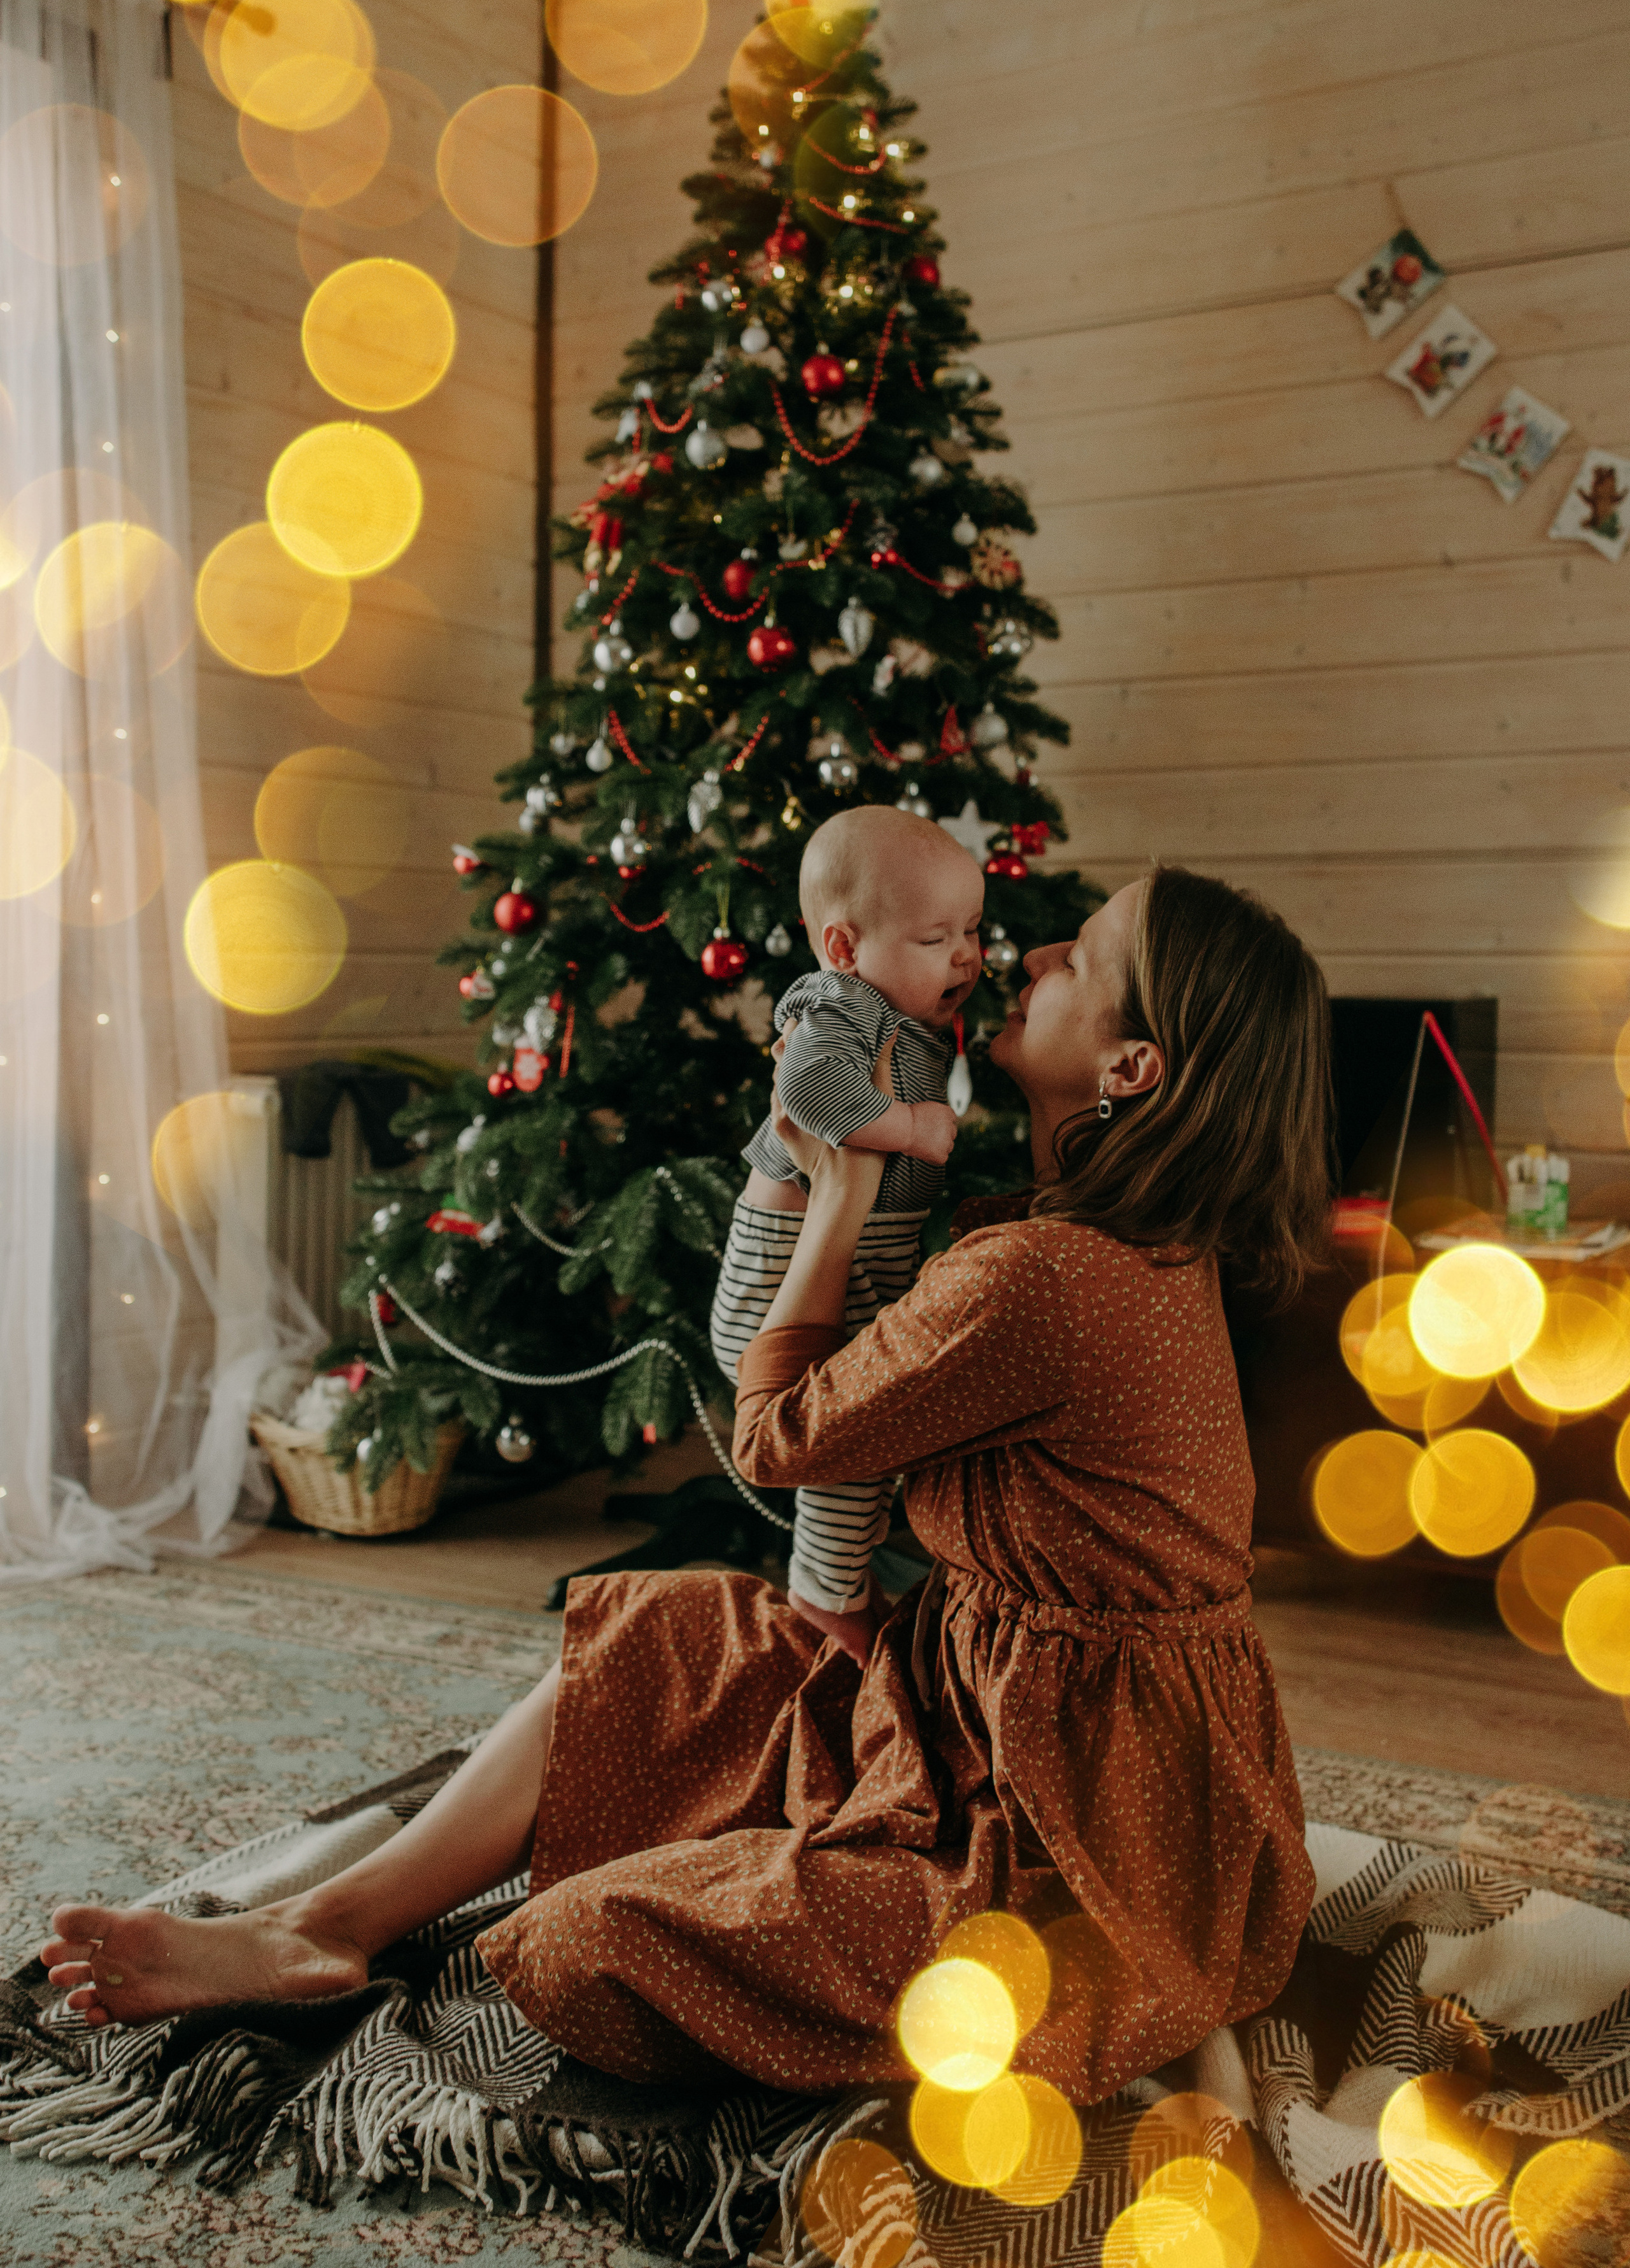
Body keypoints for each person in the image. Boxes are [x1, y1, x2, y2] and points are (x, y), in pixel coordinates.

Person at [41, 866, 1332, 2113]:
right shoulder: (1114, 1248)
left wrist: (830, 1200)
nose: (1034, 954)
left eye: (1079, 959)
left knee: (585, 1944)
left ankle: (424, 1922)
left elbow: (774, 1433)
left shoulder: (1041, 1280)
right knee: (664, 1640)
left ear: (1130, 1069)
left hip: (1091, 1859)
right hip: (1005, 1726)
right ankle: (320, 1927)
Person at [712, 804, 984, 1632]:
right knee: (850, 1442)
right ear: (844, 946)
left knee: (871, 1428)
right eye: (937, 938)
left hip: (855, 1260)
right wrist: (908, 1128)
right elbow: (807, 1092)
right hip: (783, 1278)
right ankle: (829, 1596)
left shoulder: (904, 1016)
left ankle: (846, 1584)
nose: (967, 956)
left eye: (973, 930)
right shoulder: (843, 1002)